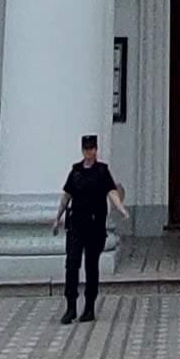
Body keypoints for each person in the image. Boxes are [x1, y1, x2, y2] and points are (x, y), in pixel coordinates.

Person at [58, 134, 127, 324]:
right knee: (72, 264)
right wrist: (57, 218)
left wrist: (120, 208)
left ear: (96, 150)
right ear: (83, 151)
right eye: (86, 149)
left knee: (91, 266)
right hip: (76, 224)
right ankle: (71, 306)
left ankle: (89, 307)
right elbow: (66, 196)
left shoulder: (102, 171)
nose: (89, 152)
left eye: (92, 149)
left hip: (94, 225)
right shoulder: (76, 171)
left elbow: (111, 192)